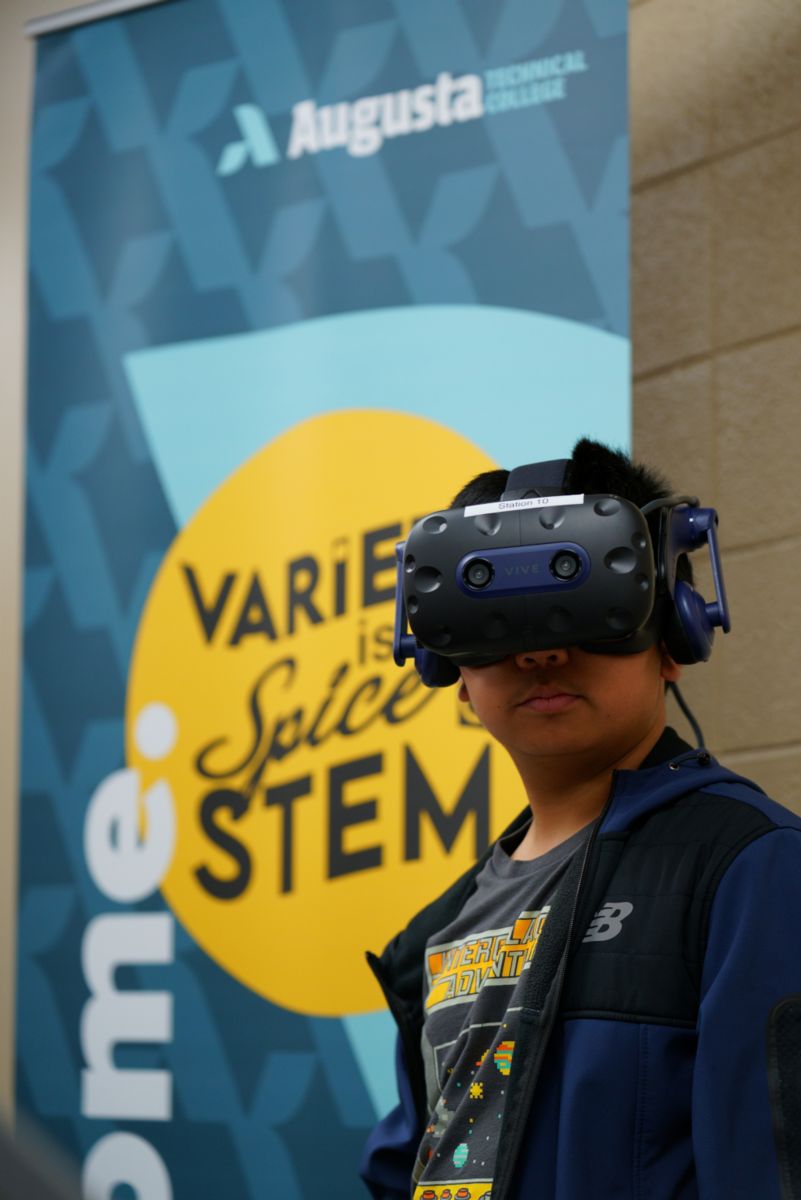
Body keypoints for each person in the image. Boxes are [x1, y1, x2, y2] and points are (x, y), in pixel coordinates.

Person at [360, 438, 801, 1200]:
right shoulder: (434, 935)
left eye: (586, 606)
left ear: (673, 634)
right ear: (450, 672)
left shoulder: (753, 871)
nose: (541, 652)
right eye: (494, 620)